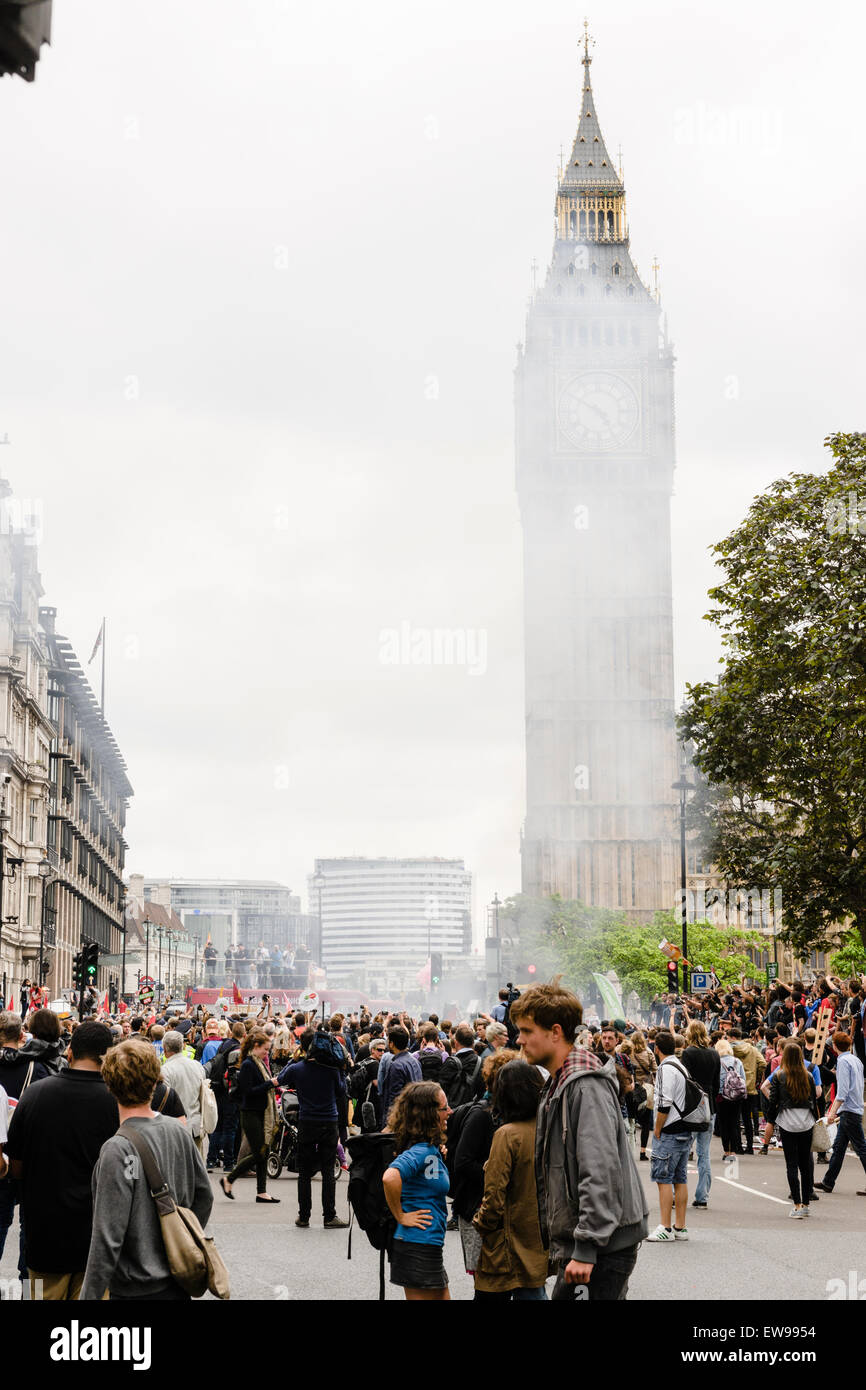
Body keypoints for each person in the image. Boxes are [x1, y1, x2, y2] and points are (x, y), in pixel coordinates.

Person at [511, 980, 648, 1298]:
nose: (520, 1039)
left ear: (555, 1032)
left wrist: (586, 1246)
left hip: (601, 1244)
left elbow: (599, 1168)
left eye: (527, 1031)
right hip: (595, 1240)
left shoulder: (583, 1086)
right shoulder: (564, 1082)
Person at [80, 1038, 213, 1300]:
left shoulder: (116, 1150)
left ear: (110, 1085)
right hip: (177, 1281)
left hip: (134, 1288)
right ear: (156, 1082)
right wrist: (181, 1241)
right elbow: (204, 1196)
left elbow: (108, 1237)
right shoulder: (179, 1132)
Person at [5, 1022, 118, 1299]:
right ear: (108, 1054)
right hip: (100, 1238)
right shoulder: (118, 1101)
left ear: (69, 1051)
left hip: (45, 1234)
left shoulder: (35, 1095)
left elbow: (16, 1166)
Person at [472, 1059, 547, 1300]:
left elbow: (494, 1196)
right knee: (534, 1290)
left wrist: (480, 1222)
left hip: (506, 1241)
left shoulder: (507, 1135)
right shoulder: (546, 1128)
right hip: (537, 1235)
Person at [450, 1048, 518, 1276]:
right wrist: (497, 1175)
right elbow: (463, 1161)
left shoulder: (508, 1113)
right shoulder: (482, 1114)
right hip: (477, 1208)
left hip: (500, 1208)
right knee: (486, 1279)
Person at [383, 1081, 452, 1301]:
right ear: (428, 1114)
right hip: (417, 1244)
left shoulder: (427, 1148)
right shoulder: (422, 1150)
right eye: (444, 1108)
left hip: (426, 1244)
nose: (449, 1112)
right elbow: (390, 1177)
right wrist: (401, 1215)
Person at [277, 1032, 349, 1229]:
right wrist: (342, 1070)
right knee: (327, 1171)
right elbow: (341, 1091)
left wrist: (294, 1058)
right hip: (329, 1120)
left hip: (306, 1121)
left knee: (304, 1173)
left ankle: (304, 1216)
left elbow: (281, 1078)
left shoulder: (298, 1068)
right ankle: (329, 1216)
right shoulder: (332, 1070)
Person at [220, 1030, 280, 1204]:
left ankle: (262, 1192)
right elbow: (248, 1091)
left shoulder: (257, 1063)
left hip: (258, 1111)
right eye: (265, 1049)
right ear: (256, 1046)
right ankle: (229, 1179)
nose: (267, 1053)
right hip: (250, 1112)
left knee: (264, 1150)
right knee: (260, 1152)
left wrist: (272, 1086)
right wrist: (270, 1083)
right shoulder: (248, 1064)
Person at [647, 1030, 695, 1243]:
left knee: (663, 1178)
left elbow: (664, 1102)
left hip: (670, 1129)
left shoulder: (666, 1068)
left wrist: (657, 1129)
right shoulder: (681, 1066)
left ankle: (665, 1226)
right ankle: (680, 1226)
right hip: (684, 1127)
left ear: (656, 1048)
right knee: (680, 1178)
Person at [763, 1039, 818, 1217]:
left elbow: (773, 1100)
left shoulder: (780, 1075)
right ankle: (807, 1202)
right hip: (806, 1121)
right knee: (805, 1164)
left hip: (787, 1121)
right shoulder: (808, 1075)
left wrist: (771, 1118)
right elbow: (814, 1099)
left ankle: (797, 1204)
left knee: (791, 1164)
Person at [815, 1031, 866, 1195]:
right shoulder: (856, 1060)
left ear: (834, 1046)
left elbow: (842, 1092)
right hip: (854, 1107)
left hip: (848, 1110)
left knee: (860, 1148)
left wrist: (832, 1112)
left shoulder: (843, 1061)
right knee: (839, 1148)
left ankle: (828, 1182)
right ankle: (828, 1182)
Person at [681, 1021, 721, 1209]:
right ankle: (702, 1195)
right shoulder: (714, 1053)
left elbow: (684, 1081)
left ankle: (676, 1194)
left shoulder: (688, 1053)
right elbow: (717, 1083)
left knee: (682, 1151)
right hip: (708, 1106)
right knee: (703, 1153)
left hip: (690, 1107)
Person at [161, 1030, 207, 1151]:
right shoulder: (197, 1066)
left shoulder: (165, 1070)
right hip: (196, 1126)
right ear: (183, 1046)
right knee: (196, 1165)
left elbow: (165, 1102)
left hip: (174, 1129)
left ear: (165, 1049)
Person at [377, 1025, 422, 1122]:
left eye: (388, 1040)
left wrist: (389, 1122)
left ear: (392, 1043)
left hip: (400, 1120)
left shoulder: (396, 1065)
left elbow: (394, 1097)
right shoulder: (415, 1061)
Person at [714, 1037, 747, 1159]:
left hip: (722, 1096)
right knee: (734, 1123)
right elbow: (743, 1078)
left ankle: (726, 1151)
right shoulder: (737, 1061)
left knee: (723, 1124)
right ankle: (733, 1151)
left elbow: (715, 1080)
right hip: (736, 1096)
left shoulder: (717, 1061)